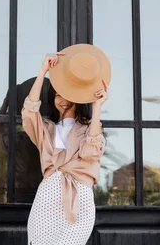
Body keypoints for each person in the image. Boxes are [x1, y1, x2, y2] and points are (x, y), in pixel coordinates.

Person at [22, 44, 110, 245]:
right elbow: (29, 112)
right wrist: (43, 69)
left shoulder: (89, 128)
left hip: (79, 199)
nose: (63, 100)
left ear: (79, 99)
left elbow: (90, 153)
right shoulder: (45, 129)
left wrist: (97, 108)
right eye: (58, 94)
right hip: (47, 201)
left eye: (69, 95)